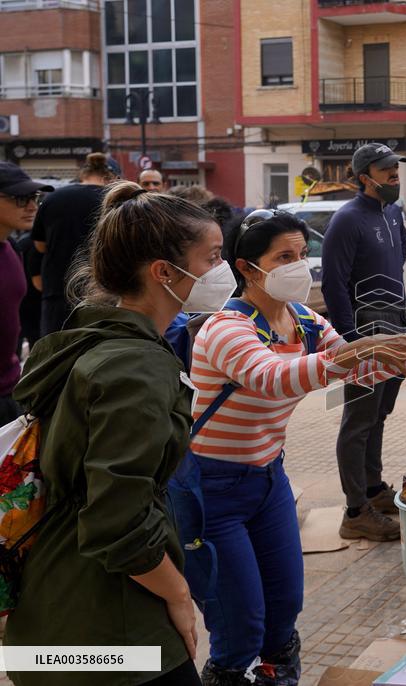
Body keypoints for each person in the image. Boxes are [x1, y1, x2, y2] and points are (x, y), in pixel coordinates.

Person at [187, 210, 406, 685]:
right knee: (240, 624)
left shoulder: (304, 320)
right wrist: (360, 350)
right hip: (213, 490)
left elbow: (349, 372)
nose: (299, 266)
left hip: (269, 480)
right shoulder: (226, 328)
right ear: (248, 268)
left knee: (285, 607)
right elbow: (273, 378)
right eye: (283, 257)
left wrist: (400, 359)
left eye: (301, 254)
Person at [7, 181, 229, 686]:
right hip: (109, 631)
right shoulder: (136, 366)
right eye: (213, 258)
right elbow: (118, 524)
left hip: (51, 614)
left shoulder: (90, 336)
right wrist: (178, 595)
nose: (223, 271)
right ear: (163, 272)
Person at [322, 142, 406, 541]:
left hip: (392, 325)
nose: (395, 174)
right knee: (358, 420)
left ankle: (373, 489)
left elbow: (399, 263)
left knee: (380, 414)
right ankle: (355, 510)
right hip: (363, 330)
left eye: (396, 167)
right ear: (364, 178)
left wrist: (404, 322)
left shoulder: (394, 213)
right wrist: (348, 340)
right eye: (386, 169)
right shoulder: (347, 219)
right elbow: (334, 284)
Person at [32, 152, 119, 336]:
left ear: (82, 173)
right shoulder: (114, 201)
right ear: (112, 177)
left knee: (56, 357)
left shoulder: (54, 198)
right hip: (104, 293)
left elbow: (39, 246)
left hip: (58, 292)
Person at [0, 163, 52, 424]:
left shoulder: (11, 247)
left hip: (10, 391)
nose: (32, 206)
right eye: (21, 199)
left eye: (34, 198)